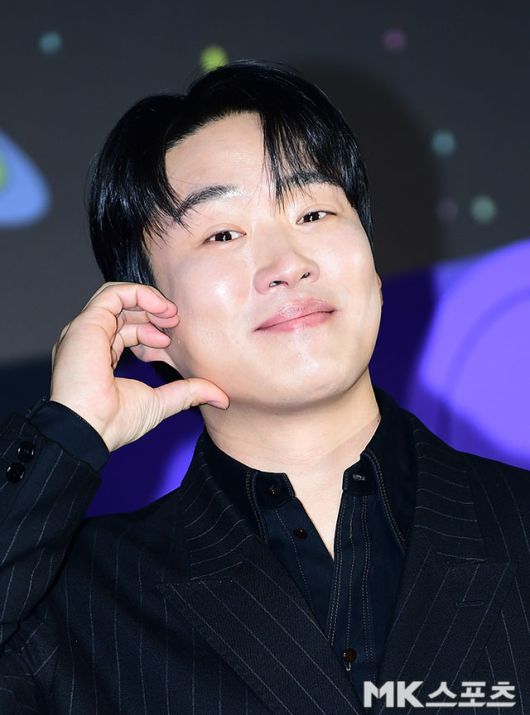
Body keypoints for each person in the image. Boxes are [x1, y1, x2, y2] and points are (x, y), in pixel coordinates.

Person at [0, 60, 529, 714]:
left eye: (313, 212)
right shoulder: (71, 602)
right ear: (148, 321)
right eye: (223, 233)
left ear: (370, 259)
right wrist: (66, 433)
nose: (288, 265)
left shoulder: (516, 523)